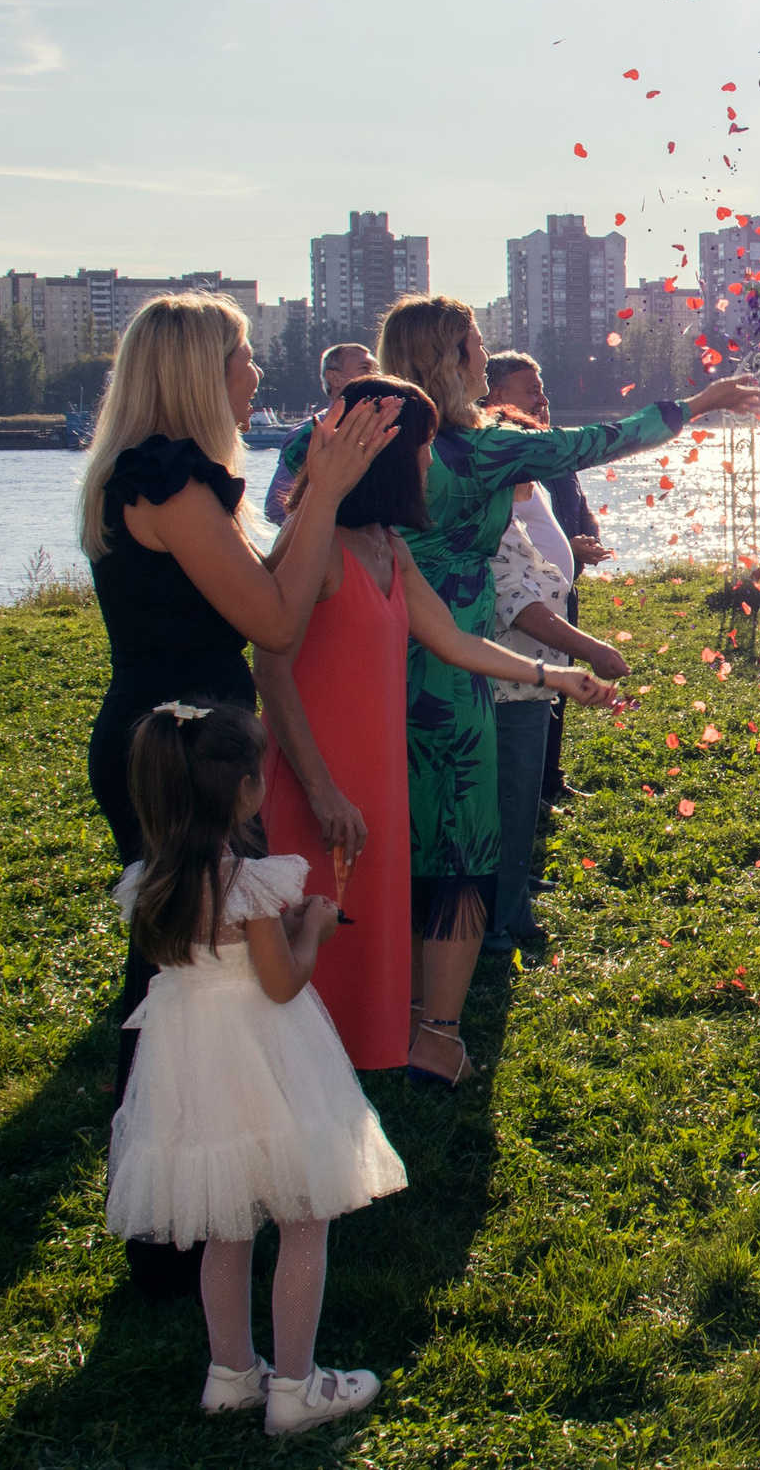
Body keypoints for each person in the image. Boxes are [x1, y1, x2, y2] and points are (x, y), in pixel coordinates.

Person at [282, 295, 760, 1086]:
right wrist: (699, 404)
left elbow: (284, 507)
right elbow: (596, 441)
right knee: (465, 846)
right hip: (451, 664)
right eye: (475, 344)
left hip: (357, 655)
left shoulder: (337, 430)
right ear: (453, 358)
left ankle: (361, 1005)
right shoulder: (480, 454)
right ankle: (433, 1029)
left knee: (381, 834)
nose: (485, 354)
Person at [78, 293, 399, 1298]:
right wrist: (324, 500)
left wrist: (313, 507)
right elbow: (272, 616)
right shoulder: (170, 484)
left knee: (184, 973)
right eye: (245, 357)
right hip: (179, 754)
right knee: (183, 983)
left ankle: (194, 1212)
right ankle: (177, 1225)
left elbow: (276, 614)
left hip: (189, 739)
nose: (258, 374)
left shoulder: (171, 480)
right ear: (196, 372)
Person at [254, 377, 621, 1080]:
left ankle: (366, 1052)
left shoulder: (386, 543)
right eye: (422, 449)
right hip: (319, 766)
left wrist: (557, 678)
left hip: (377, 764)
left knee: (367, 909)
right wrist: (322, 790)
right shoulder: (315, 538)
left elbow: (454, 642)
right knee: (315, 908)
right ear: (386, 455)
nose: (431, 464)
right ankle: (299, 1070)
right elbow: (271, 671)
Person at [101, 701, 405, 1438]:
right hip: (263, 1054)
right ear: (245, 789)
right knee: (304, 1215)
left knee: (225, 1220)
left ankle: (231, 1372)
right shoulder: (251, 882)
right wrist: (314, 927)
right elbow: (279, 983)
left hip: (192, 1065)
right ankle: (297, 1386)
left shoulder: (151, 882)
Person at [488, 491, 628, 953]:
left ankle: (513, 900)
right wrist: (590, 650)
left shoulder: (509, 515)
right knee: (510, 796)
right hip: (510, 682)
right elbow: (516, 602)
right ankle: (498, 921)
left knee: (522, 797)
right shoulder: (490, 524)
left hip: (532, 680)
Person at [483, 353, 615, 805]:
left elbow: (569, 508)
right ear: (498, 396)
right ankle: (531, 793)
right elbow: (510, 579)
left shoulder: (544, 457)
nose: (542, 401)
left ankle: (545, 781)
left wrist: (583, 542)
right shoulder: (502, 465)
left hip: (555, 595)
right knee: (528, 707)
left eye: (542, 391)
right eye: (531, 391)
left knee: (547, 705)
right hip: (522, 617)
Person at [263, 344, 378, 526]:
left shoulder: (380, 428)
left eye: (376, 369)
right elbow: (277, 507)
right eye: (365, 369)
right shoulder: (309, 434)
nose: (376, 376)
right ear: (333, 377)